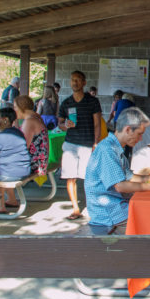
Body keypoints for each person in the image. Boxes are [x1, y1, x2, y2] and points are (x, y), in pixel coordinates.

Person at [84, 107, 150, 235]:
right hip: (109, 213)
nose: (141, 139)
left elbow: (130, 177)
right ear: (128, 129)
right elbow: (121, 186)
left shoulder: (115, 147)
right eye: (139, 134)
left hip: (117, 206)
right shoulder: (107, 150)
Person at [58, 70, 102, 221]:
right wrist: (65, 125)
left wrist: (96, 142)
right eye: (72, 80)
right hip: (70, 144)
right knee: (71, 177)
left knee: (88, 177)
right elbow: (60, 124)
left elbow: (97, 124)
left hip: (87, 144)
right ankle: (75, 208)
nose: (74, 82)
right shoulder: (66, 102)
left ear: (84, 83)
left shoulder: (92, 101)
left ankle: (92, 206)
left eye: (78, 80)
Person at [14, 95, 49, 177]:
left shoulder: (29, 121)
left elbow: (23, 146)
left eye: (15, 107)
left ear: (22, 107)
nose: (14, 110)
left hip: (33, 166)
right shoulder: (36, 117)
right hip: (40, 163)